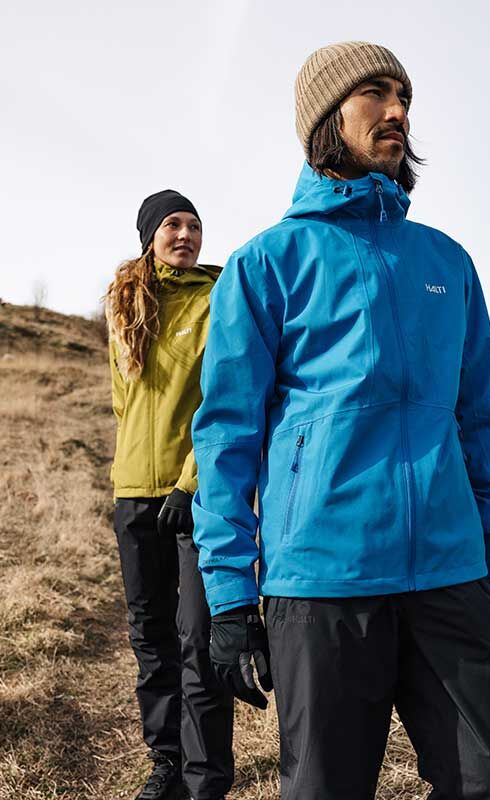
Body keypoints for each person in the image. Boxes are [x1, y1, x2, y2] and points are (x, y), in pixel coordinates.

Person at [191, 42, 490, 800]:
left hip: (450, 573)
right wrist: (230, 596)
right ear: (325, 117)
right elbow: (226, 440)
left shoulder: (448, 262)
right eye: (376, 94)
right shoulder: (266, 263)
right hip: (322, 582)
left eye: (404, 96)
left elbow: (478, 424)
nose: (399, 112)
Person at [106, 190, 233, 800]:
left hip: (193, 497)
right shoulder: (125, 302)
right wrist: (127, 475)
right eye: (171, 225)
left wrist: (190, 480)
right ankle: (166, 763)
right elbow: (122, 401)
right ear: (149, 235)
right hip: (132, 493)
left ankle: (206, 776)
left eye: (193, 225)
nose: (184, 235)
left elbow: (223, 401)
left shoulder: (216, 300)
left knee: (197, 637)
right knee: (148, 634)